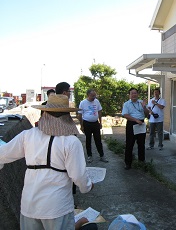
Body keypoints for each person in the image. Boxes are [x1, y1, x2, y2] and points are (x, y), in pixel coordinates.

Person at [0, 94, 93, 230]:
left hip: (29, 204)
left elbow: (3, 155)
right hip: (57, 207)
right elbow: (78, 176)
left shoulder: (28, 135)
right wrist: (88, 187)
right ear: (67, 116)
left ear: (44, 113)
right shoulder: (71, 142)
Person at [121, 88, 149, 170]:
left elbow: (147, 114)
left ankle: (141, 161)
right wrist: (135, 120)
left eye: (135, 93)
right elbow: (125, 115)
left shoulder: (141, 102)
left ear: (138, 94)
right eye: (132, 93)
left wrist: (144, 107)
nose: (134, 95)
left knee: (141, 144)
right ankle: (128, 163)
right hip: (132, 124)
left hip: (141, 124)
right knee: (129, 144)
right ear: (129, 95)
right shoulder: (126, 104)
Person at [78, 89, 108, 163]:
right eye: (92, 96)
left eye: (95, 95)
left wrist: (100, 122)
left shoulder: (96, 101)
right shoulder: (83, 103)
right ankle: (89, 156)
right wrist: (81, 125)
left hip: (95, 123)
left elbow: (99, 111)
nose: (94, 97)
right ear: (88, 95)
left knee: (98, 139)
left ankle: (102, 155)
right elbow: (80, 114)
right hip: (87, 123)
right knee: (88, 140)